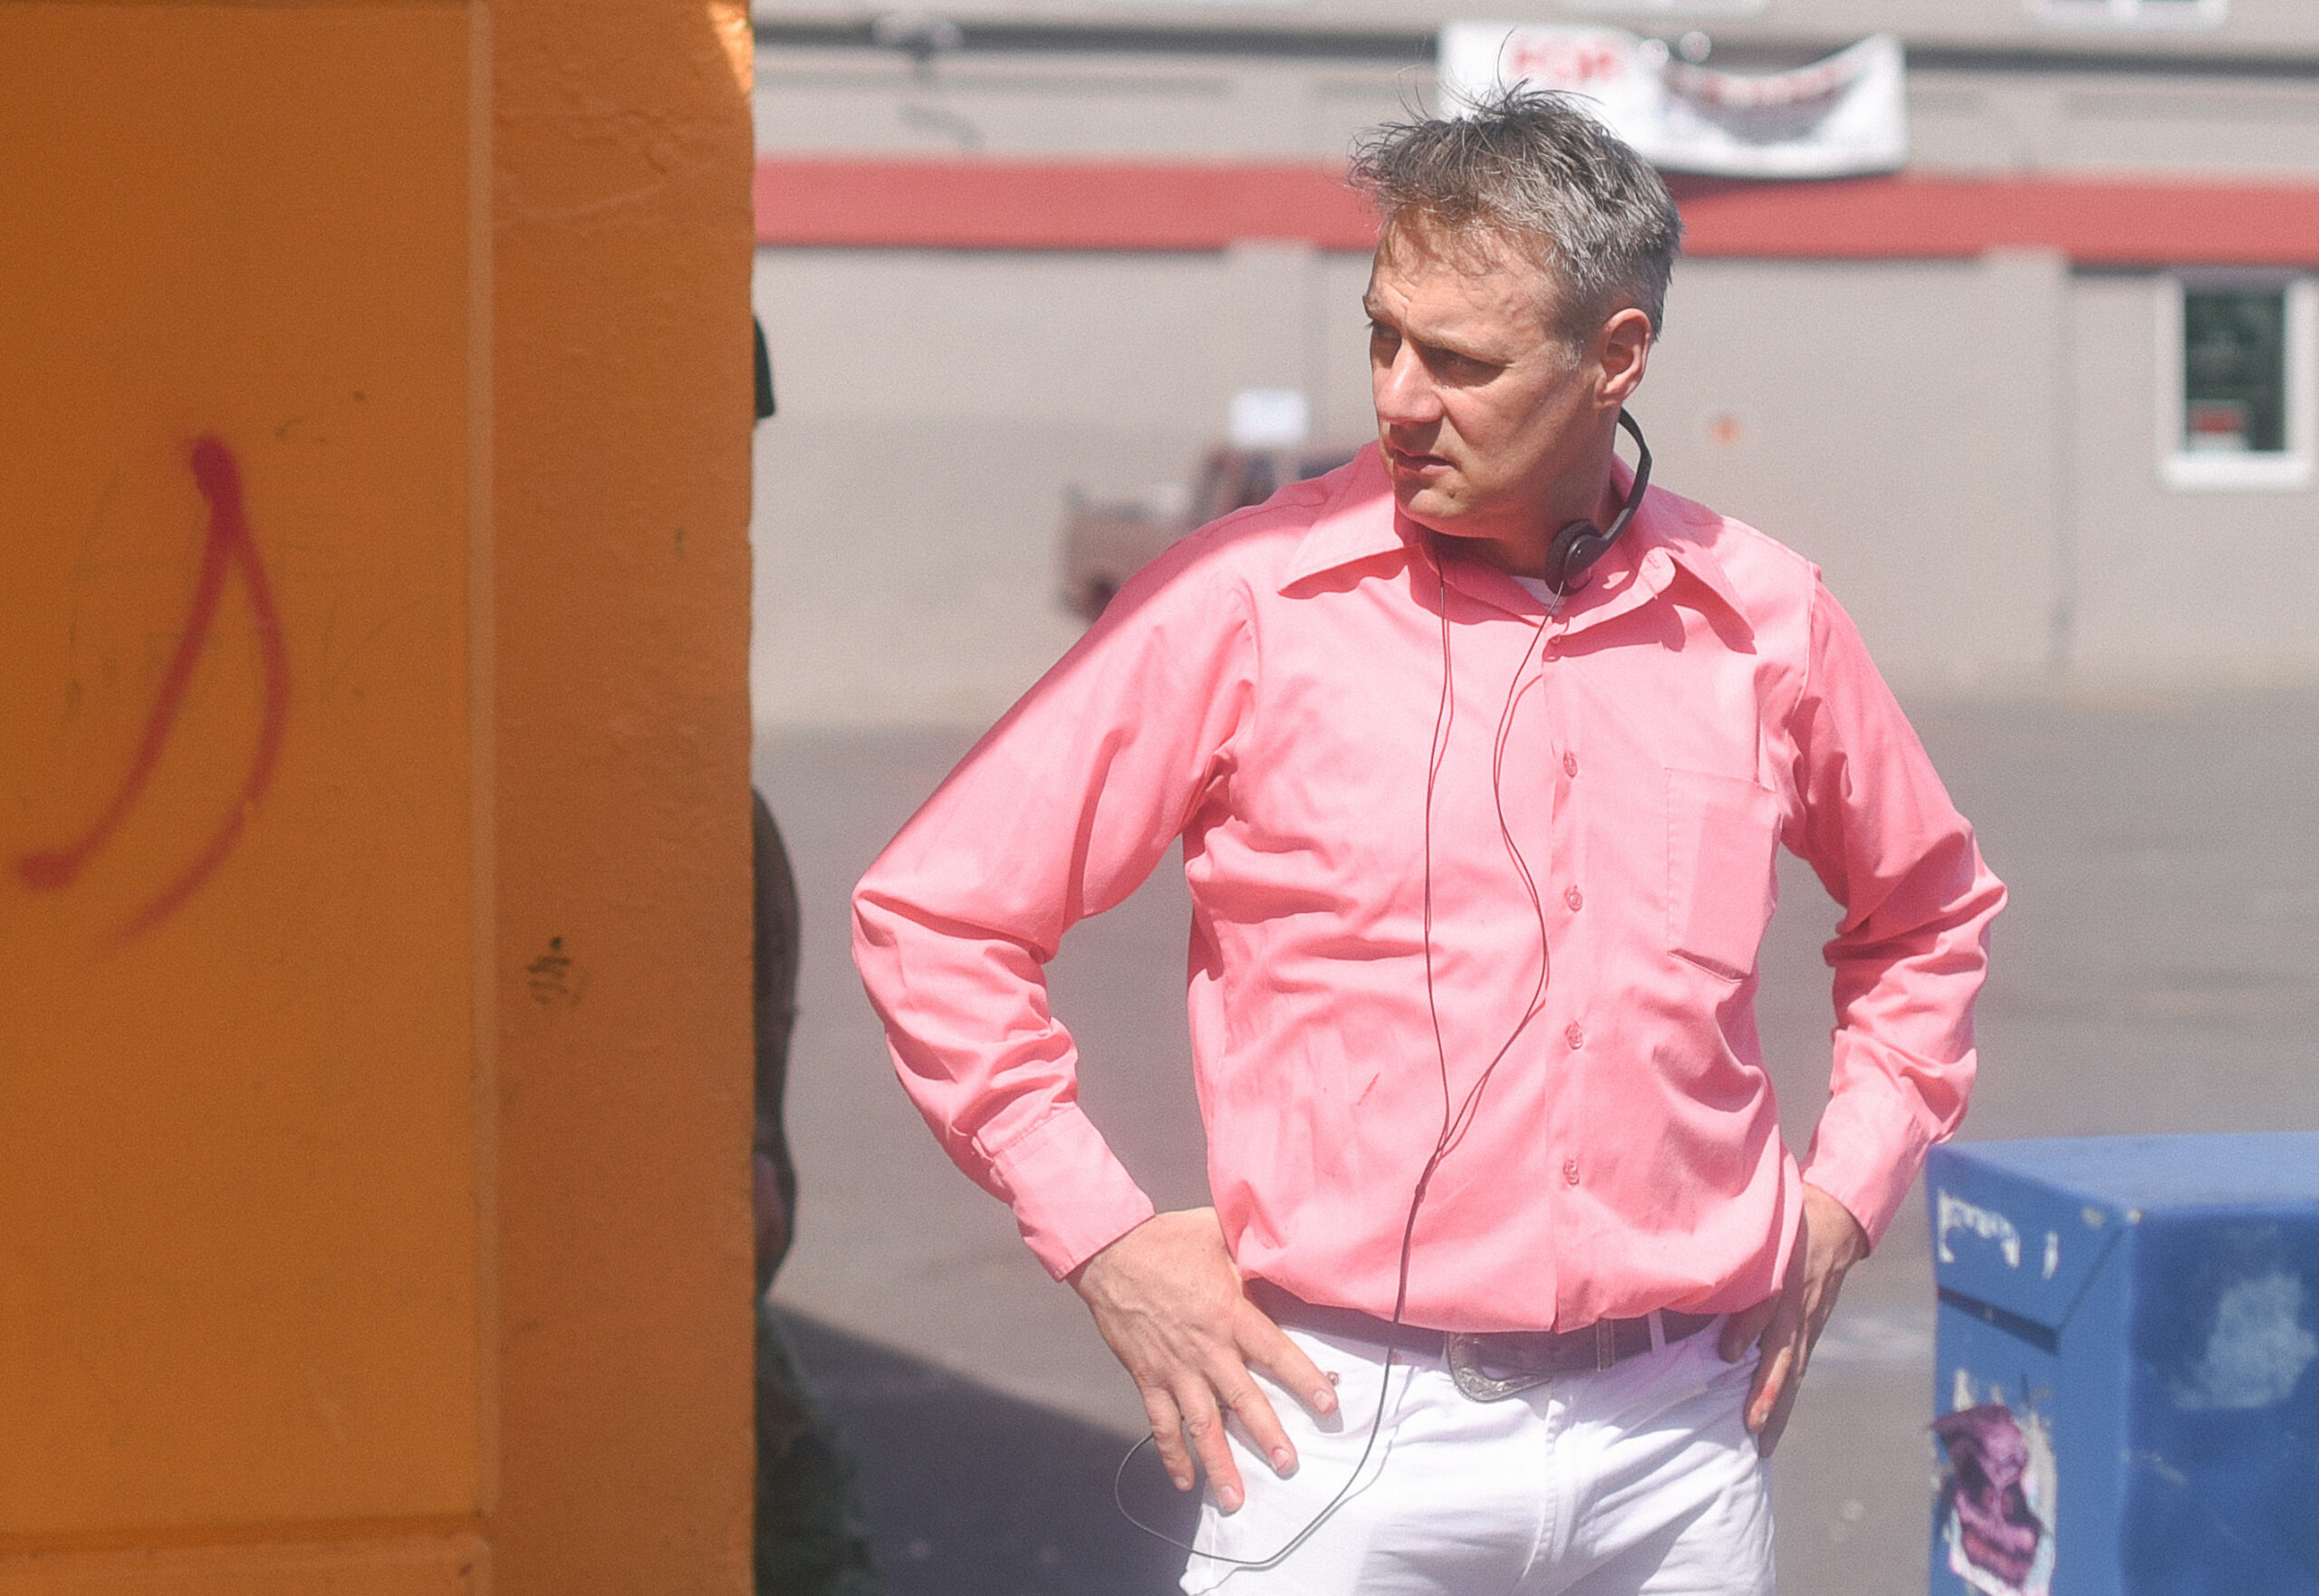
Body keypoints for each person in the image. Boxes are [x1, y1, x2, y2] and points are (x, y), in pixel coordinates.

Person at [852, 91, 2005, 1593]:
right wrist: (1106, 1240)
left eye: (1459, 360)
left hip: (1677, 1448)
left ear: (1618, 359)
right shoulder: (1246, 604)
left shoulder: (1766, 619)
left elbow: (1927, 918)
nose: (1400, 395)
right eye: (1384, 337)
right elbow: (933, 916)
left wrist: (1843, 1197)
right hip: (1330, 1433)